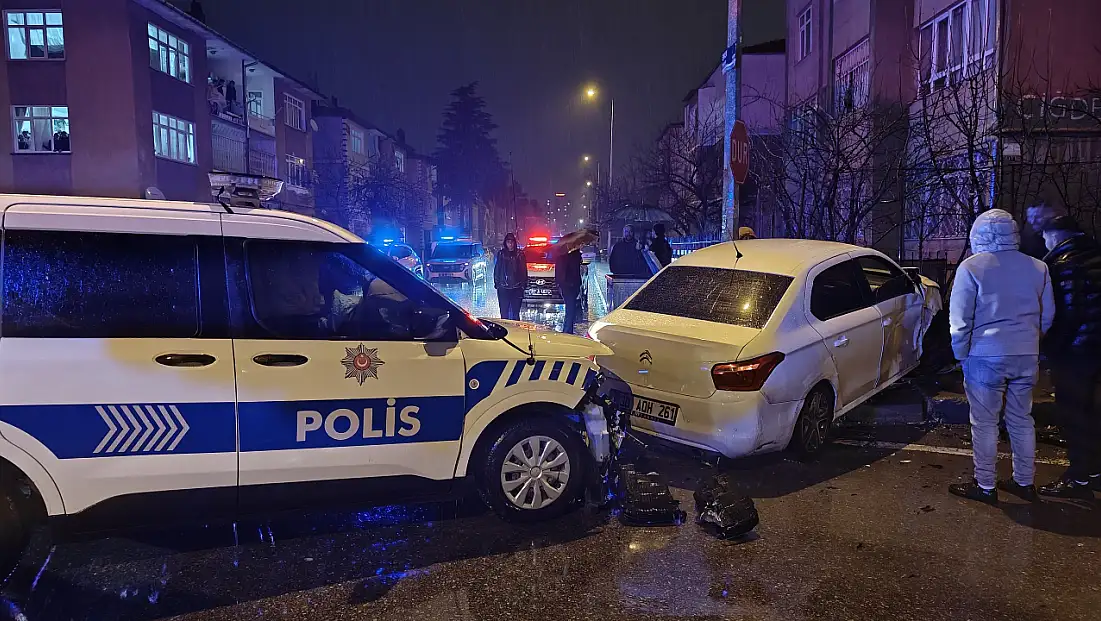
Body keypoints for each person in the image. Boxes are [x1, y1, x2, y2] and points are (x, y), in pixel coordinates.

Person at [948, 209, 1054, 505]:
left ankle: (985, 486)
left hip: (985, 355)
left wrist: (961, 354)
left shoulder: (972, 268)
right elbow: (1048, 315)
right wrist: (1031, 341)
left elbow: (960, 320)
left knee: (984, 423)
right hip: (1026, 353)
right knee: (1022, 419)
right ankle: (1024, 482)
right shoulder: (1037, 268)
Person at [1035, 214, 1101, 498]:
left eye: (1046, 236)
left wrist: (1051, 349)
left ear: (1057, 235)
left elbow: (1067, 314)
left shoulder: (1063, 264)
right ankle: (1095, 472)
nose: (1043, 241)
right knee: (1092, 412)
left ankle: (1079, 479)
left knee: (1074, 415)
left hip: (1076, 352)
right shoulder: (1094, 254)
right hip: (1095, 349)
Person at [493, 233, 527, 321]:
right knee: (504, 313)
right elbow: (498, 268)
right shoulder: (501, 254)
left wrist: (523, 285)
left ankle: (515, 332)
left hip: (517, 287)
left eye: (512, 242)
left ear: (514, 243)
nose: (510, 244)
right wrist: (497, 283)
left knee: (515, 314)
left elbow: (523, 270)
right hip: (503, 287)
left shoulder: (520, 254)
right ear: (506, 243)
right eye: (508, 242)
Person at [555, 238, 584, 334]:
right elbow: (560, 271)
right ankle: (567, 331)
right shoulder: (564, 255)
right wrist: (561, 283)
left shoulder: (576, 254)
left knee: (571, 308)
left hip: (574, 285)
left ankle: (568, 330)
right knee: (570, 309)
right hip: (567, 285)